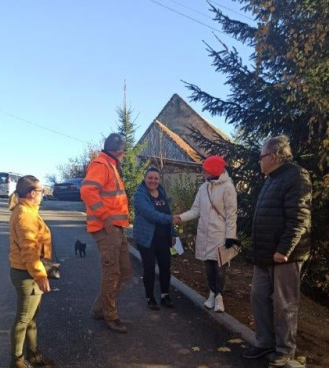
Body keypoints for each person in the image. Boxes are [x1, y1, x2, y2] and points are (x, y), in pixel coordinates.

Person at [243, 135, 312, 367]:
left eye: (261, 157)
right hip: (264, 254)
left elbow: (299, 218)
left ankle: (285, 349)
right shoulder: (271, 179)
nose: (259, 162)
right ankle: (264, 342)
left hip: (284, 256)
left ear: (273, 156)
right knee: (258, 298)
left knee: (285, 304)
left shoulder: (296, 176)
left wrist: (284, 249)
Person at [80, 133, 131, 333]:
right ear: (119, 152)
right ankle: (110, 316)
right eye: (124, 152)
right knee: (112, 273)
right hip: (107, 229)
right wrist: (105, 215)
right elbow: (87, 191)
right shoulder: (101, 164)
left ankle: (99, 309)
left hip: (116, 228)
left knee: (124, 271)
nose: (124, 155)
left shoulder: (110, 165)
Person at [174, 155, 238, 313]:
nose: (203, 172)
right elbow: (195, 210)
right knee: (209, 267)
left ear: (213, 170)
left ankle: (219, 297)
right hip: (204, 234)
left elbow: (231, 214)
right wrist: (180, 218)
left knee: (219, 267)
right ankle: (211, 293)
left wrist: (231, 236)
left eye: (206, 170)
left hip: (220, 235)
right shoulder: (204, 188)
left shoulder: (228, 188)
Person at [9, 175, 54, 368]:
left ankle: (33, 354)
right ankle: (17, 362)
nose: (42, 195)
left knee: (31, 318)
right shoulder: (25, 214)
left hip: (28, 272)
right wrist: (40, 276)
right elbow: (28, 250)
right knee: (23, 319)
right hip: (27, 274)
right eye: (41, 191)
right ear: (31, 193)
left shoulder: (28, 211)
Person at [133, 166, 177, 310]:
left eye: (156, 178)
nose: (153, 181)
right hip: (147, 239)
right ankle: (150, 297)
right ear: (145, 179)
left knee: (165, 267)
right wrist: (171, 219)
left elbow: (168, 211)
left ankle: (165, 295)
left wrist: (173, 233)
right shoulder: (139, 195)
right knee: (149, 268)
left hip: (163, 238)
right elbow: (151, 214)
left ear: (159, 180)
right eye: (150, 178)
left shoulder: (161, 192)